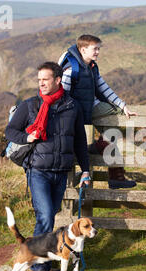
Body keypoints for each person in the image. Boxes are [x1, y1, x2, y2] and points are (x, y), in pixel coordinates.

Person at [5, 61, 90, 271]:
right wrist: (27, 138)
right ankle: (38, 269)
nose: (41, 83)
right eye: (39, 80)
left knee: (50, 215)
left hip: (61, 171)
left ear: (58, 80)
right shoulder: (31, 105)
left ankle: (39, 260)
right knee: (44, 216)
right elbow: (10, 130)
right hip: (38, 170)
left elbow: (80, 141)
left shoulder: (72, 106)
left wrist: (86, 170)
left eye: (45, 79)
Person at [58, 34, 137, 189]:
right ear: (83, 49)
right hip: (79, 111)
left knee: (112, 131)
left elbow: (103, 87)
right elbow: (63, 95)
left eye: (99, 49)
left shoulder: (91, 67)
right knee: (111, 132)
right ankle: (114, 173)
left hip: (91, 106)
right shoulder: (70, 70)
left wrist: (122, 105)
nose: (98, 52)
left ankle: (111, 167)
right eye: (95, 49)